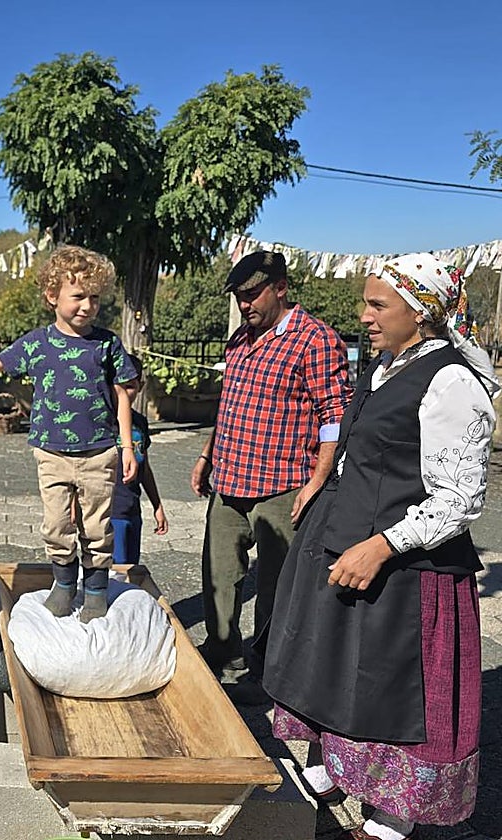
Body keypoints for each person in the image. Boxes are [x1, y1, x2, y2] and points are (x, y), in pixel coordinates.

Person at [264, 254, 498, 840]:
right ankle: (336, 770)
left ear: (421, 312)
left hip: (406, 569)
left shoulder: (450, 383)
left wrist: (383, 546)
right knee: (334, 669)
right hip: (344, 540)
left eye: (378, 305)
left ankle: (393, 816)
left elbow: (460, 498)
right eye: (365, 303)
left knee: (390, 689)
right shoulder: (385, 366)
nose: (364, 316)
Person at [0, 245, 138, 622]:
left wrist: (127, 447)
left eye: (95, 298)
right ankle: (64, 584)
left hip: (99, 452)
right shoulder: (36, 344)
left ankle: (96, 590)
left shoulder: (107, 343)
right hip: (51, 453)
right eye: (78, 296)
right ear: (52, 295)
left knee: (97, 527)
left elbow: (122, 394)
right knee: (57, 525)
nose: (88, 306)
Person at [190, 250, 351, 687]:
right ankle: (223, 655)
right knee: (219, 578)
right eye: (239, 297)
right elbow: (229, 406)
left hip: (284, 486)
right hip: (229, 480)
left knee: (277, 589)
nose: (244, 304)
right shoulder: (239, 340)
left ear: (280, 287)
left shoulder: (315, 339)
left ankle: (267, 673)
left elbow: (336, 416)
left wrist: (318, 481)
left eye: (252, 294)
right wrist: (206, 456)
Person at [112, 356, 168, 563]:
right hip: (108, 511)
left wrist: (157, 505)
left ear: (140, 387)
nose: (124, 393)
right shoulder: (100, 422)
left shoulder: (140, 422)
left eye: (130, 387)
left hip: (132, 509)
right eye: (119, 386)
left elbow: (144, 467)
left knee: (131, 568)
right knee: (113, 571)